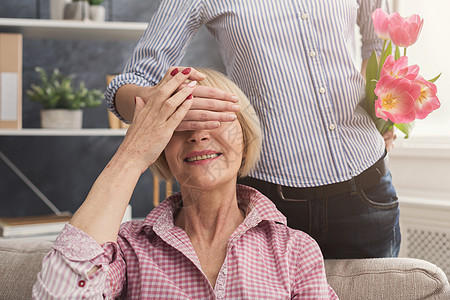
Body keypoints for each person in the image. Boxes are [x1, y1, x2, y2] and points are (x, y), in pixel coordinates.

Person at [105, 0, 400, 259]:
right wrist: (170, 104)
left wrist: (383, 116)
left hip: (366, 190)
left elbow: (381, 47)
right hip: (269, 203)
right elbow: (128, 81)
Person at [32, 69, 338, 299]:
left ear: (245, 140)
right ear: (161, 146)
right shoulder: (127, 248)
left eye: (215, 117)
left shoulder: (295, 251)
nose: (198, 134)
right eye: (180, 122)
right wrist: (132, 154)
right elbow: (60, 294)